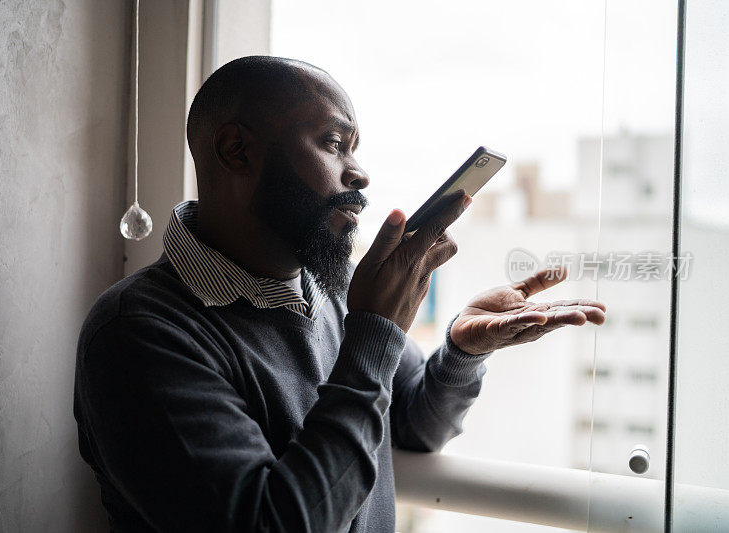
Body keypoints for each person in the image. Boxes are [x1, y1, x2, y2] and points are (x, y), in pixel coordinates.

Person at [73, 56, 606, 532]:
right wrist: (376, 331)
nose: (361, 174)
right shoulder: (137, 334)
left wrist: (463, 352)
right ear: (236, 150)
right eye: (334, 144)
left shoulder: (333, 287)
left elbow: (414, 427)